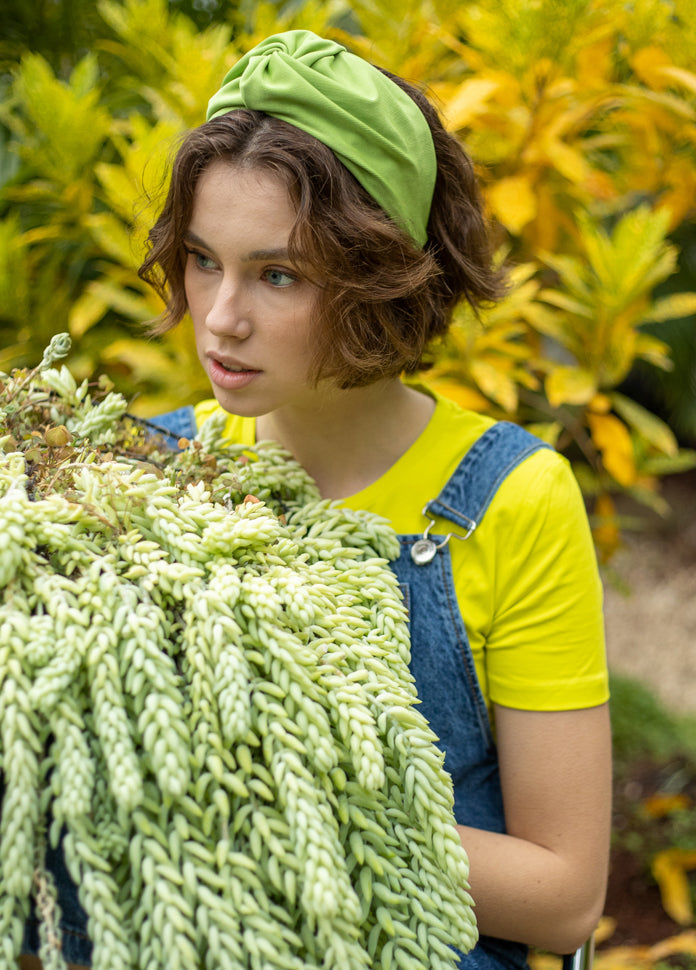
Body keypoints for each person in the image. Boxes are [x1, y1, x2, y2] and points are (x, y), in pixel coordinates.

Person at [21, 28, 612, 970]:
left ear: (383, 278)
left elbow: (563, 895)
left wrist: (273, 798)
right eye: (204, 260)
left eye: (279, 275)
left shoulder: (511, 498)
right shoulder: (145, 469)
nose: (220, 318)